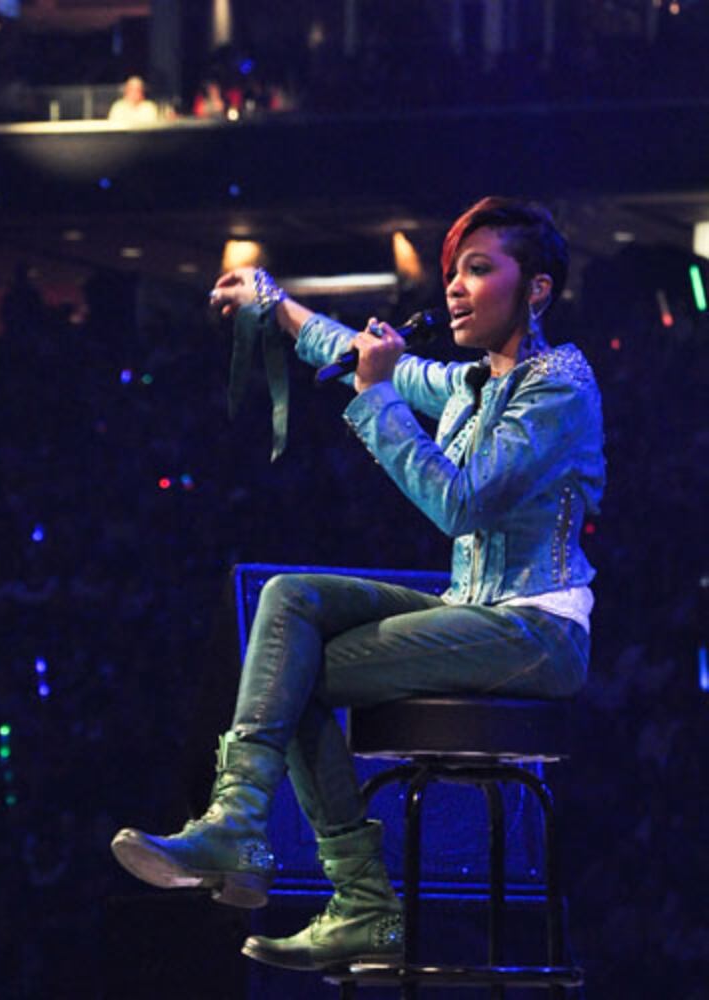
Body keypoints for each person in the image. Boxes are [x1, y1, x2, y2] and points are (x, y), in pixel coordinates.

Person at [111, 196, 605, 972]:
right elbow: (357, 350)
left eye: (479, 269)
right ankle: (241, 820)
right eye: (452, 271)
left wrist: (377, 399)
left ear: (536, 288)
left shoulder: (561, 385)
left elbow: (461, 502)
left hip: (536, 632)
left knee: (293, 670)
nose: (454, 286)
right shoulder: (472, 383)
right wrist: (275, 303)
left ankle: (360, 898)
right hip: (473, 612)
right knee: (290, 599)